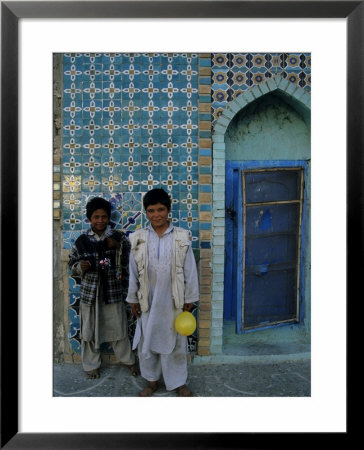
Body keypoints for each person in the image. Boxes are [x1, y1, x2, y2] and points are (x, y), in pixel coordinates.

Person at [126, 188, 199, 396]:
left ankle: (178, 382)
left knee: (175, 343)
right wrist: (133, 298)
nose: (156, 215)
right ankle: (151, 380)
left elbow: (190, 270)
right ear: (146, 213)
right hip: (147, 300)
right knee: (146, 343)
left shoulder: (181, 237)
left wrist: (190, 298)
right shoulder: (138, 238)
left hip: (173, 301)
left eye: (160, 209)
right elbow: (133, 272)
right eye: (151, 211)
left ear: (168, 210)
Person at [68, 196, 138, 379]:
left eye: (104, 216)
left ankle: (128, 361)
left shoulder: (117, 237)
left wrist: (117, 247)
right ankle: (91, 364)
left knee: (118, 329)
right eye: (96, 217)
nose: (100, 220)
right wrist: (79, 267)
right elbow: (72, 264)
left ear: (108, 218)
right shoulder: (82, 241)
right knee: (89, 331)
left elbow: (130, 260)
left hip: (112, 292)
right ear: (89, 218)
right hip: (90, 294)